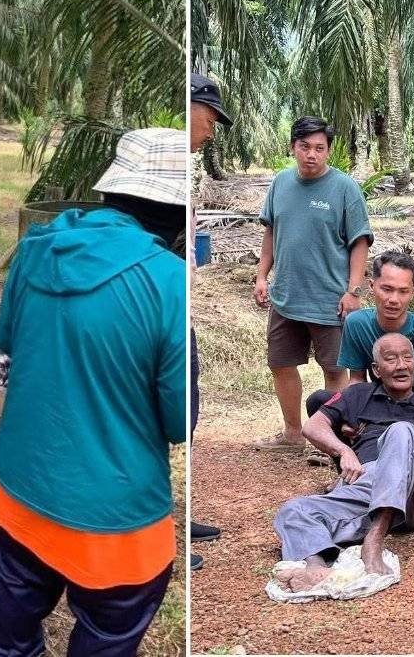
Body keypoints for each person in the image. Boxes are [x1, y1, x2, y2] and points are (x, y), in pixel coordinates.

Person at [0, 128, 186, 657]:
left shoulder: (36, 249)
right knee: (109, 630)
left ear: (111, 191)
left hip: (22, 487)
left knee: (11, 632)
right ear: (178, 214)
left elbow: (9, 340)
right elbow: (179, 420)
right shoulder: (171, 282)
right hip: (115, 521)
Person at [273, 333, 414, 593]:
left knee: (402, 431)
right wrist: (344, 451)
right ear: (376, 369)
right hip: (366, 481)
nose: (401, 365)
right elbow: (313, 426)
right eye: (391, 359)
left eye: (407, 358)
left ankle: (374, 539)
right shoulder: (358, 395)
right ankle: (315, 566)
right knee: (292, 510)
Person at [254, 116, 373, 451]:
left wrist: (353, 291)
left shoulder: (345, 188)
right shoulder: (280, 183)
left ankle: (333, 443)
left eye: (319, 148)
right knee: (280, 364)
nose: (311, 154)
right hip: (286, 296)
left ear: (328, 151)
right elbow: (271, 231)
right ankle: (293, 435)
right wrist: (262, 276)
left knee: (335, 371)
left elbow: (359, 242)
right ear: (293, 147)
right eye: (304, 146)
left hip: (330, 300)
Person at [189, 72, 233, 570]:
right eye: (210, 117)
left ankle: (180, 517)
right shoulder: (162, 169)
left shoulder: (189, 169)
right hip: (162, 314)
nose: (212, 129)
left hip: (184, 311)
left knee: (188, 414)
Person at [338, 251, 414, 400]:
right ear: (372, 286)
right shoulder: (357, 324)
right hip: (382, 402)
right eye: (387, 289)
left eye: (403, 291)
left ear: (412, 293)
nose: (394, 299)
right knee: (320, 399)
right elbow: (357, 380)